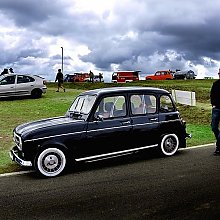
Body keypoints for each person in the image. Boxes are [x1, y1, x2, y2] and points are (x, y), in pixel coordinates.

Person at [210, 68, 220, 155]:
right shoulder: (216, 84)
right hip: (216, 109)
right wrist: (213, 105)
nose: (219, 74)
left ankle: (218, 147)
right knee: (213, 127)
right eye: (219, 72)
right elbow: (212, 95)